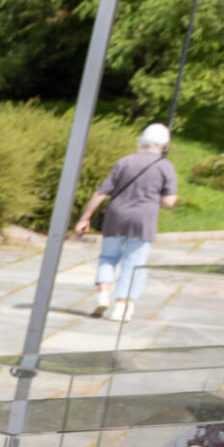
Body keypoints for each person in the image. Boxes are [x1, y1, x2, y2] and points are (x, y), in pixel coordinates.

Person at [75, 122, 181, 323]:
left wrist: (84, 218)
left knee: (108, 257)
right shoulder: (166, 167)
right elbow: (169, 201)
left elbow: (101, 192)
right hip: (144, 219)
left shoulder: (124, 162)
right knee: (133, 264)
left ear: (141, 141)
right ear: (164, 145)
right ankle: (121, 307)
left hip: (116, 216)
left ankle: (103, 295)